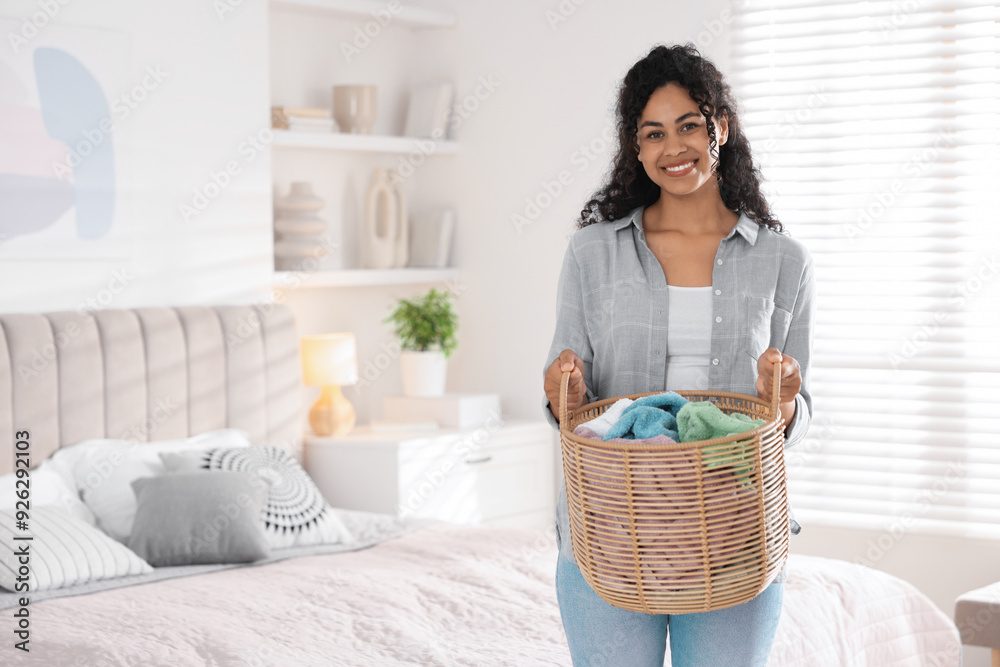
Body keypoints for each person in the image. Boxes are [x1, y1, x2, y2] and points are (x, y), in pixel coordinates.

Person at [541, 44, 815, 666]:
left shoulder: (785, 262)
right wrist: (568, 392)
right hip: (609, 527)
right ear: (635, 150)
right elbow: (565, 401)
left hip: (734, 527)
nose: (673, 147)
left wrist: (786, 396)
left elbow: (793, 419)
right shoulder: (592, 254)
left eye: (688, 124)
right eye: (653, 133)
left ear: (719, 127)